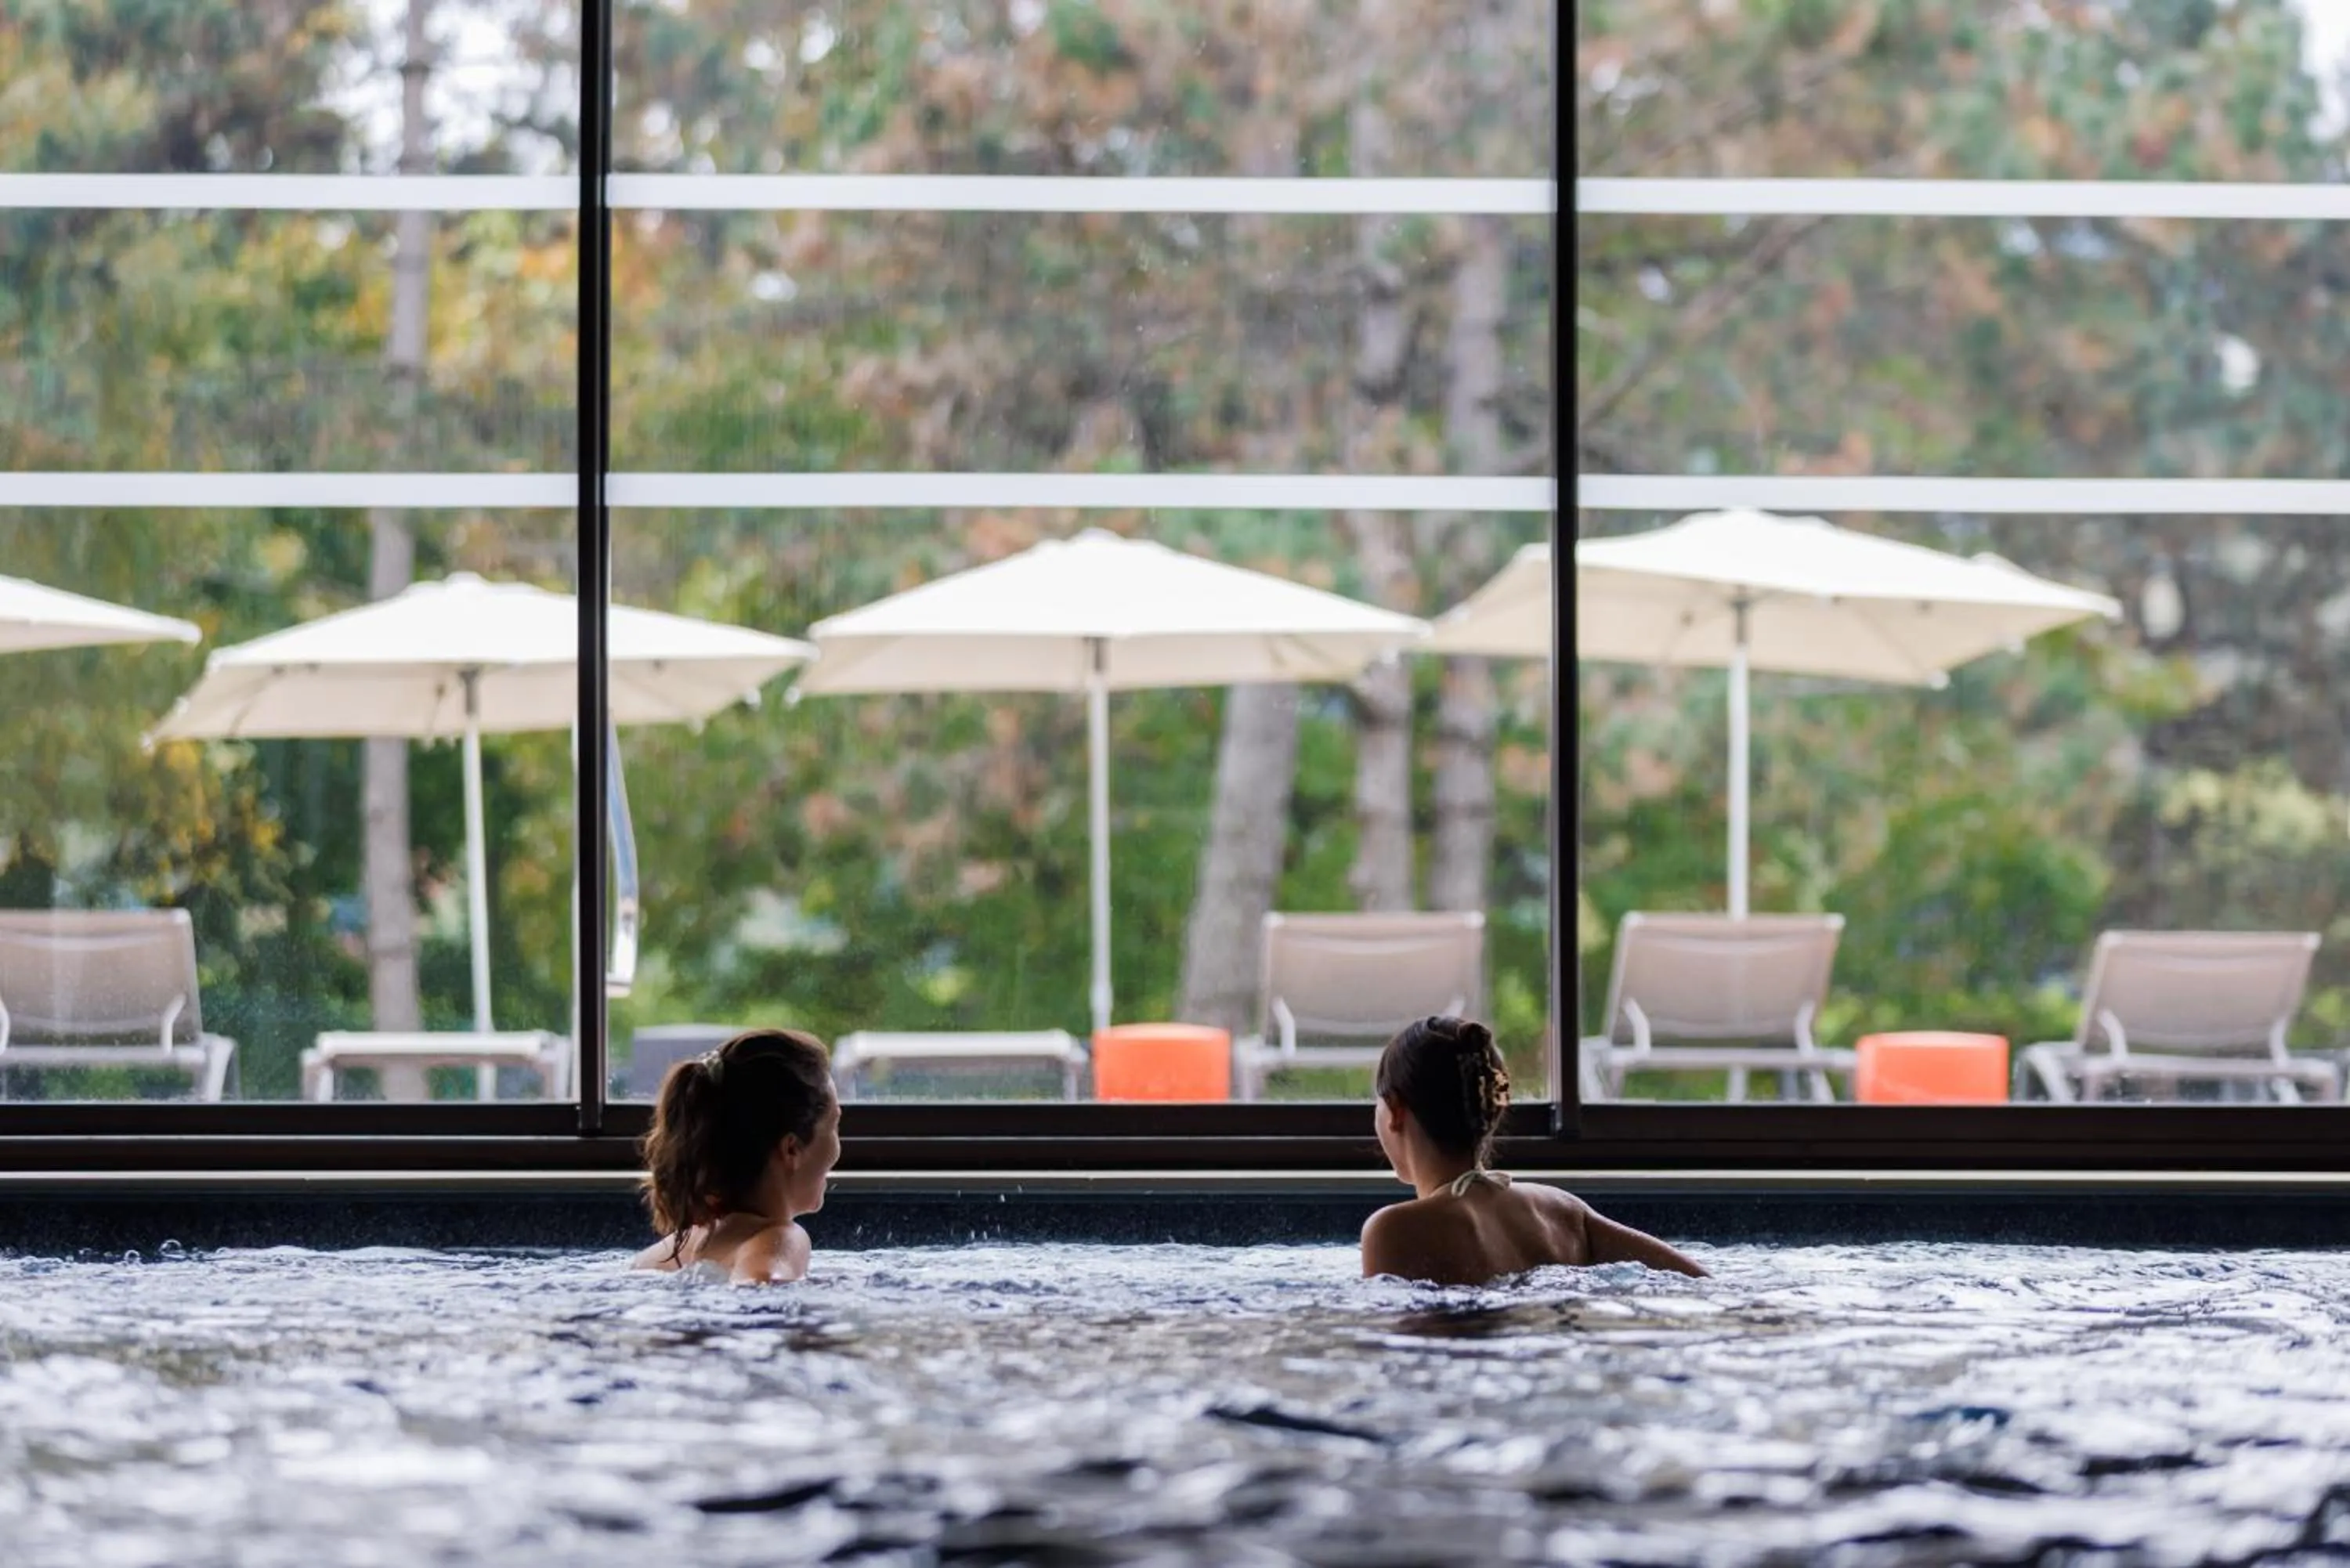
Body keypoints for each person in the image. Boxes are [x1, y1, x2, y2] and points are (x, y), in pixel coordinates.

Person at [1361, 1015, 1708, 1284]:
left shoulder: (1393, 1231)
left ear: (1395, 1111)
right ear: (1492, 1107)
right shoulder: (1560, 1210)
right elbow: (1697, 1280)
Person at [632, 1028, 841, 1283]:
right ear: (791, 1150)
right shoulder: (780, 1238)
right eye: (834, 1125)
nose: (838, 1148)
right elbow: (762, 1286)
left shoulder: (669, 1251)